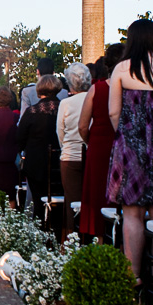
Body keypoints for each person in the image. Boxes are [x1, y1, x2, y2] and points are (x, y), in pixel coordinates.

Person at [106, 20, 153, 279]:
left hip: (131, 140)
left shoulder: (122, 69)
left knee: (133, 212)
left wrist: (127, 134)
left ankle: (134, 275)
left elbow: (114, 111)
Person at [79, 44, 124, 243]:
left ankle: (99, 240)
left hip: (98, 145)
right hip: (123, 145)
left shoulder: (97, 89)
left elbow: (82, 125)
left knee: (98, 195)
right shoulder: (130, 86)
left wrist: (91, 141)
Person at [18, 75, 63, 229]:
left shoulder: (32, 111)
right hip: (60, 161)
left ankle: (39, 231)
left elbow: (20, 137)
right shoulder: (64, 107)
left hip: (36, 163)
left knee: (38, 201)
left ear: (39, 90)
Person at [56, 63, 91, 243]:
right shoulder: (94, 98)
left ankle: (71, 240)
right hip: (90, 155)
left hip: (70, 156)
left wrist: (66, 147)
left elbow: (60, 132)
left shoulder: (66, 103)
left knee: (71, 201)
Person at [18, 57, 68, 121]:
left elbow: (23, 118)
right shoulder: (64, 93)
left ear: (37, 71)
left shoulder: (27, 92)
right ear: (53, 73)